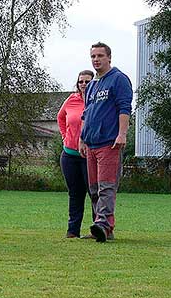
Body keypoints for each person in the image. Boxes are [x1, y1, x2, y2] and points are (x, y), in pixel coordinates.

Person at [79, 42, 133, 242]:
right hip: (91, 144)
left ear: (109, 57)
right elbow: (87, 114)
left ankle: (104, 225)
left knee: (106, 187)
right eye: (93, 56)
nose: (96, 59)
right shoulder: (92, 85)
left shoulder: (118, 79)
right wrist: (83, 139)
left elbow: (124, 108)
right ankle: (100, 227)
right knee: (93, 189)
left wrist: (122, 134)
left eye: (100, 56)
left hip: (109, 143)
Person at [57, 70, 96, 238]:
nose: (84, 84)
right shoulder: (71, 100)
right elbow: (60, 118)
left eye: (87, 81)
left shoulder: (97, 101)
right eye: (81, 81)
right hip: (69, 155)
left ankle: (99, 228)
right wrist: (65, 136)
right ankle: (72, 231)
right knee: (75, 193)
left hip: (90, 155)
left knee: (94, 192)